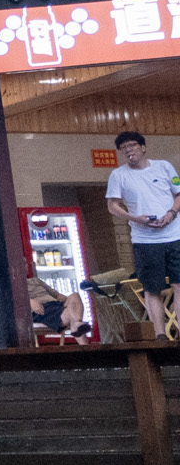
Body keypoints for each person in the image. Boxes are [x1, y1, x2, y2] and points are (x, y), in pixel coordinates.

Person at [104, 130, 179, 337]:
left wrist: (171, 214)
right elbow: (112, 205)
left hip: (174, 234)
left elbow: (178, 194)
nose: (129, 151)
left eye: (132, 146)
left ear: (143, 147)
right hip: (144, 239)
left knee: (179, 283)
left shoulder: (164, 166)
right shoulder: (118, 175)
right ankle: (159, 334)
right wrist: (136, 218)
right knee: (151, 287)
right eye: (124, 148)